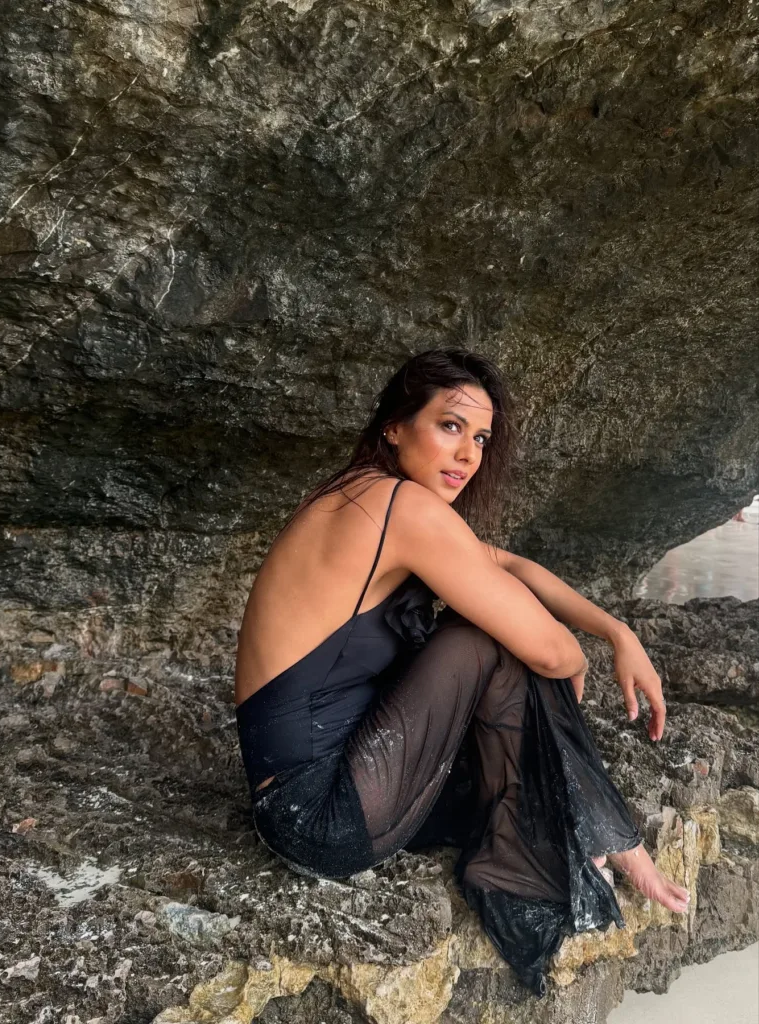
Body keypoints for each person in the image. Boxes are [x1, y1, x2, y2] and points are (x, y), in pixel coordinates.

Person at [234, 348, 690, 996]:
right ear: (395, 426)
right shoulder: (399, 508)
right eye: (450, 426)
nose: (468, 454)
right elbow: (548, 652)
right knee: (483, 640)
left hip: (305, 798)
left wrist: (617, 631)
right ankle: (588, 837)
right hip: (321, 816)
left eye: (480, 437)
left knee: (495, 643)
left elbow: (508, 565)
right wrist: (575, 654)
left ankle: (587, 827)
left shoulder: (361, 496)